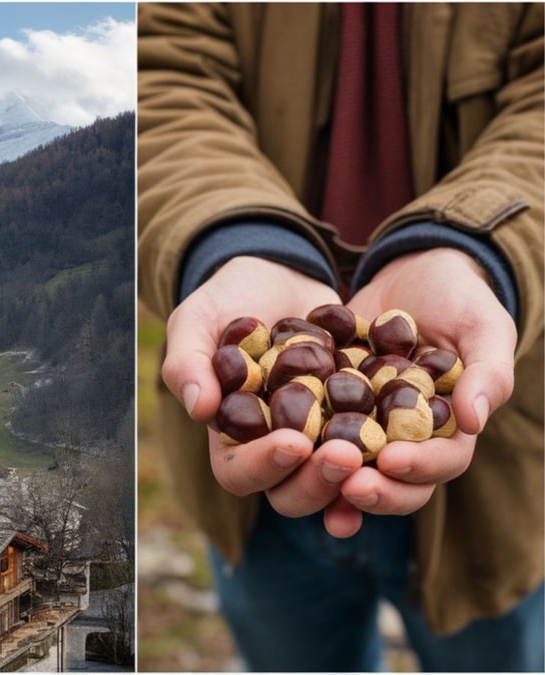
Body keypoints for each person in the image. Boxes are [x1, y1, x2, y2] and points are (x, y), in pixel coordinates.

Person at [137, 4, 543, 671]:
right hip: (254, 493)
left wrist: (479, 246)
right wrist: (233, 241)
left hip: (504, 467)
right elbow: (162, 68)